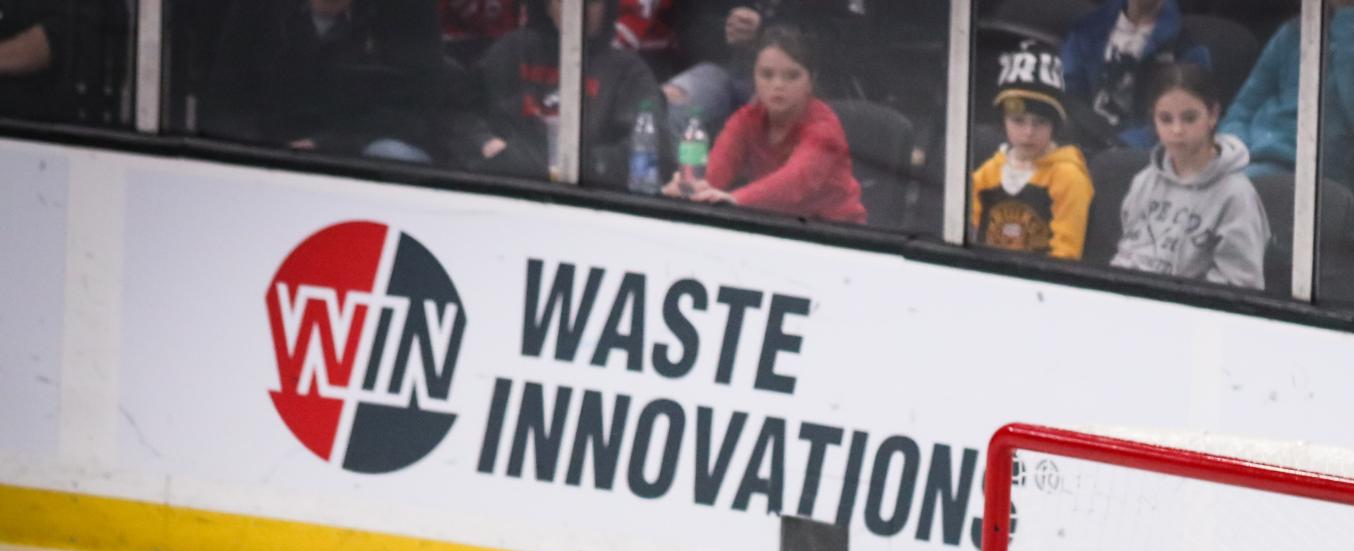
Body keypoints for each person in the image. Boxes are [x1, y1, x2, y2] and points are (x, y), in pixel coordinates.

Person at [664, 25, 865, 223]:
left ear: (810, 82)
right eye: (767, 75)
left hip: (836, 234)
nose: (777, 85)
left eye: (792, 76)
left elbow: (794, 182)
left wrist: (735, 199)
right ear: (755, 78)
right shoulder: (745, 120)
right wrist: (688, 187)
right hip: (773, 226)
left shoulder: (824, 129)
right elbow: (715, 171)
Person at [205, 0, 447, 163]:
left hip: (362, 154)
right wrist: (267, 149)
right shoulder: (257, 8)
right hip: (265, 155)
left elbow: (421, 107)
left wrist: (335, 144)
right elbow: (224, 101)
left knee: (392, 153)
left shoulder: (409, 10)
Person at [467, 0, 665, 190]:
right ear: (548, 6)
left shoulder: (628, 72)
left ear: (607, 6)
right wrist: (483, 141)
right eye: (563, 1)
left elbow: (652, 146)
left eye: (593, 1)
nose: (584, 12)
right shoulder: (511, 52)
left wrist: (582, 165)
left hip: (590, 199)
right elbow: (457, 111)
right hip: (507, 190)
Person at [1112, 62, 1271, 288]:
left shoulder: (1236, 196)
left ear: (1213, 115)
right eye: (1166, 119)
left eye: (1189, 118)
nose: (1176, 130)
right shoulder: (1143, 181)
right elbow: (1127, 251)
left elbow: (1241, 285)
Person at [1219, 0, 1354, 183]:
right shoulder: (1295, 30)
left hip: (1315, 175)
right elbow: (1244, 107)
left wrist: (1350, 18)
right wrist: (1235, 152)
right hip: (1254, 158)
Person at [970, 41, 1094, 259]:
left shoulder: (1068, 177)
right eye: (1018, 121)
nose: (1028, 132)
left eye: (1040, 122)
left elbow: (1066, 254)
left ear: (1055, 125)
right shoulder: (987, 175)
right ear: (1003, 121)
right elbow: (969, 233)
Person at [1058, 0, 1212, 149]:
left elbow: (1179, 120)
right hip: (1081, 137)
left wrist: (1120, 145)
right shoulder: (1088, 28)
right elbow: (1068, 87)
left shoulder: (1187, 47)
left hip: (1137, 154)